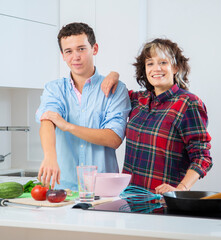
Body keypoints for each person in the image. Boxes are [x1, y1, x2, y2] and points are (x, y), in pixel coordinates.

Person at [102, 38, 212, 194]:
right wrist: (114, 74)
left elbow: (202, 157)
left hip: (163, 203)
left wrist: (181, 189)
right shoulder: (137, 100)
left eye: (163, 62)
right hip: (129, 200)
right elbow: (111, 93)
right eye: (150, 63)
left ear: (175, 67)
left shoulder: (188, 103)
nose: (156, 68)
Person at [35, 22, 131, 190]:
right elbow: (47, 121)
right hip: (63, 188)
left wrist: (68, 126)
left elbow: (113, 138)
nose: (75, 57)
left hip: (103, 190)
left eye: (81, 49)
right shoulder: (55, 89)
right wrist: (49, 156)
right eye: (69, 51)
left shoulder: (116, 89)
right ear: (63, 55)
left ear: (94, 49)